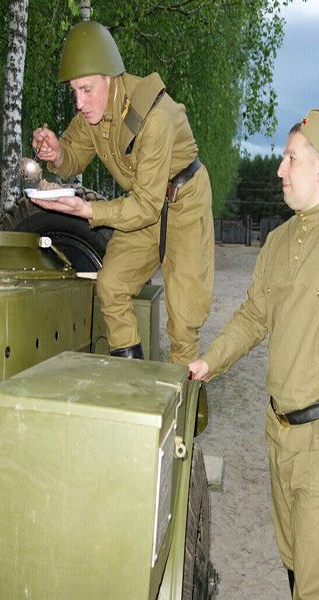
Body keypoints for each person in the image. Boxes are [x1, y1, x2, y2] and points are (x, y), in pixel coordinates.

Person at [189, 109, 319, 599]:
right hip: (279, 435)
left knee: (315, 582)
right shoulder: (278, 240)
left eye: (290, 159)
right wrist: (208, 361)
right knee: (293, 561)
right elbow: (252, 317)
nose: (280, 169)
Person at [29, 20, 214, 365]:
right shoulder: (92, 114)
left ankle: (186, 397)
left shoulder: (153, 117)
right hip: (142, 203)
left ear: (110, 77)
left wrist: (89, 211)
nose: (79, 102)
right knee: (111, 284)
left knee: (184, 322)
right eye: (74, 91)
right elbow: (73, 155)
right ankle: (132, 377)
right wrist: (56, 152)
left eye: (86, 89)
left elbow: (146, 207)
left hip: (184, 201)